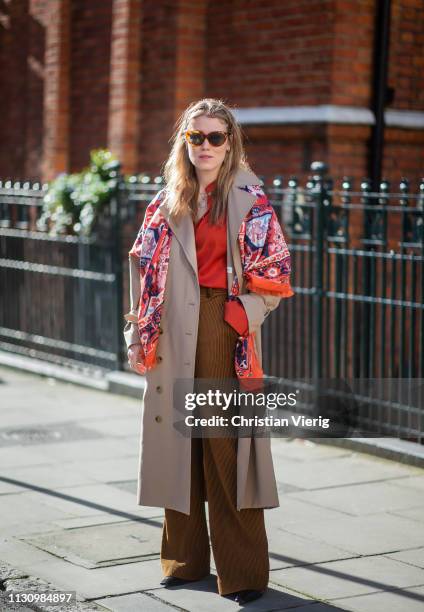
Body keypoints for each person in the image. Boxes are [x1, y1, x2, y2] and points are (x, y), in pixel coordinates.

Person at [124, 98, 294, 605]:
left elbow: (278, 269)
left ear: (230, 142)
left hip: (224, 328)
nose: (204, 146)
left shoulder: (251, 200)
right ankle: (184, 562)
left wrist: (244, 313)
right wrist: (138, 333)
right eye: (195, 137)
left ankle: (242, 574)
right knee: (181, 446)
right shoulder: (165, 199)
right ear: (185, 141)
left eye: (214, 137)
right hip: (173, 330)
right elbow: (140, 266)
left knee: (225, 449)